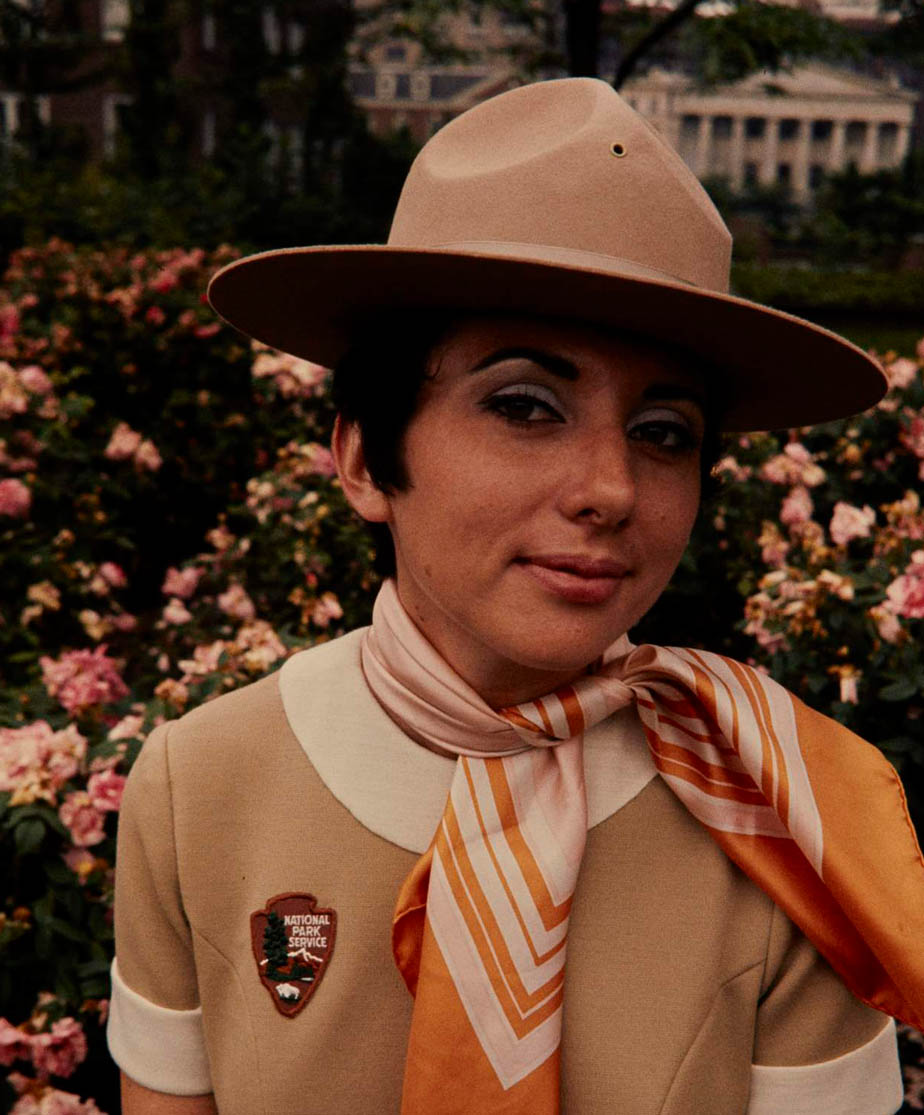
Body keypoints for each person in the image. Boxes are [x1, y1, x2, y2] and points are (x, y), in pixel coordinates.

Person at [107, 78, 923, 1115]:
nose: (612, 489)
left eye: (664, 431)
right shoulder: (200, 788)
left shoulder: (791, 814)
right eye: (526, 405)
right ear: (363, 456)